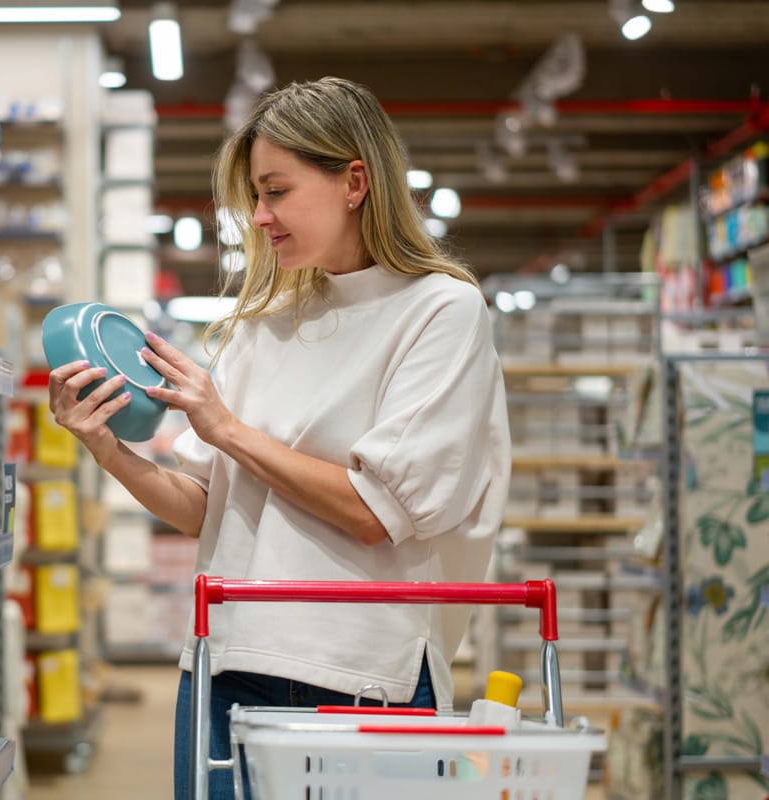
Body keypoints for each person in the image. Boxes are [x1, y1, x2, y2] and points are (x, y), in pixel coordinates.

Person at [47, 76, 510, 799]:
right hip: (224, 665)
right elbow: (205, 508)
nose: (259, 217)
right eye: (254, 199)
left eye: (276, 191)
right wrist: (108, 449)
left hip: (359, 673)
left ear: (355, 181)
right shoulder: (264, 323)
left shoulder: (441, 312)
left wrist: (227, 429)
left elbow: (373, 513)